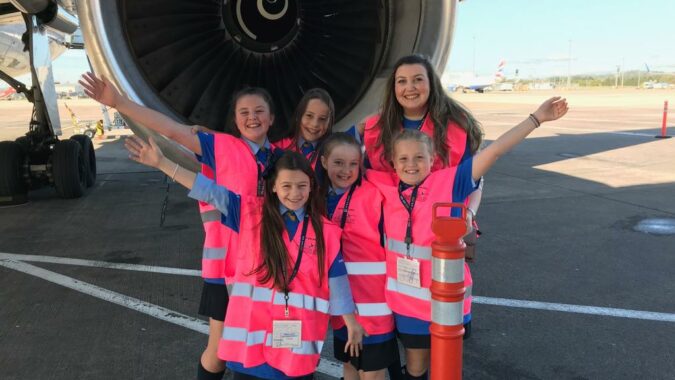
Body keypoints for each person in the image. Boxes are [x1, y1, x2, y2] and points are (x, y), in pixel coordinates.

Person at [80, 73, 280, 380]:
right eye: (244, 113)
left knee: (264, 346)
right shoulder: (219, 147)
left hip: (269, 269)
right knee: (221, 351)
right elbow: (172, 131)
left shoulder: (282, 158)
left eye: (259, 112)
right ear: (236, 120)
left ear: (271, 118)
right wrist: (119, 103)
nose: (252, 118)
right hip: (226, 269)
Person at [125, 139, 365, 379]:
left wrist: (350, 322)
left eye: (302, 186)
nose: (295, 194)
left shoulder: (325, 230)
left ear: (311, 186)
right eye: (287, 186)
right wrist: (163, 163)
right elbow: (208, 190)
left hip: (297, 346)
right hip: (251, 345)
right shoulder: (249, 213)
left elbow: (337, 278)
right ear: (273, 187)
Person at [367, 97, 568, 379]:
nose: (411, 165)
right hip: (406, 303)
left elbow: (495, 151)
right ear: (392, 162)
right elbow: (341, 167)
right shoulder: (384, 185)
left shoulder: (449, 181)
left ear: (432, 159)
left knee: (446, 366)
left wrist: (536, 118)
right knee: (416, 368)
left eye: (419, 158)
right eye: (403, 159)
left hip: (447, 302)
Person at [318, 133, 399, 380]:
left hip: (374, 303)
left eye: (354, 163)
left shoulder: (375, 192)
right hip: (343, 305)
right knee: (350, 365)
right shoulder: (315, 196)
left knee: (371, 373)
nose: (346, 170)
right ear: (323, 162)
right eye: (338, 163)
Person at [275, 88, 334, 170]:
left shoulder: (334, 153)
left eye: (322, 119)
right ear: (298, 115)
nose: (315, 124)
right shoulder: (276, 147)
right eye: (309, 116)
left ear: (329, 123)